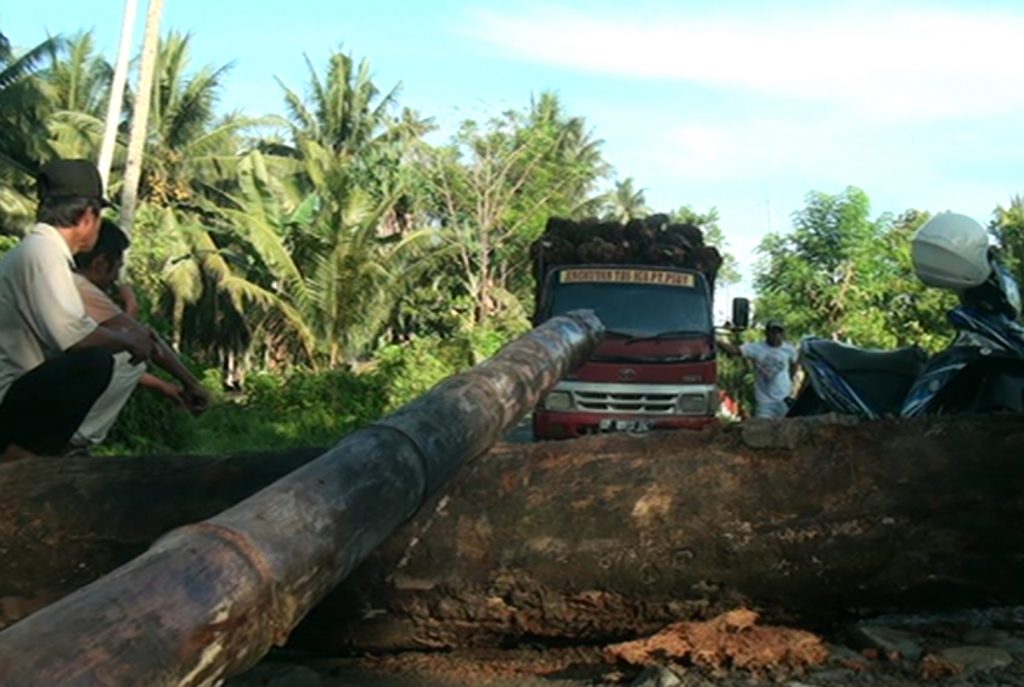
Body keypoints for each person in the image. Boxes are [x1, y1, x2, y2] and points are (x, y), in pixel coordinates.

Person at [0, 159, 153, 462]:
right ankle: (18, 458)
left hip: (15, 395)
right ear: (87, 217)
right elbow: (74, 336)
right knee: (94, 362)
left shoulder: (38, 251)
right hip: (8, 400)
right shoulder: (44, 255)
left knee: (109, 354)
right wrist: (129, 340)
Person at [74, 219, 210, 416]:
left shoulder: (54, 277)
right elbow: (139, 340)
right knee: (127, 347)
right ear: (100, 264)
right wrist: (131, 305)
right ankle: (75, 439)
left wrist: (164, 386)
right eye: (116, 269)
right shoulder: (79, 287)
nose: (114, 279)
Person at [719, 319, 799, 419]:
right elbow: (735, 350)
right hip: (764, 402)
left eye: (778, 332)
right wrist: (718, 342)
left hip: (783, 399)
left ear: (782, 334)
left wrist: (790, 380)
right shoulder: (757, 348)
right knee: (763, 429)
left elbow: (794, 364)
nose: (775, 335)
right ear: (766, 333)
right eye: (772, 332)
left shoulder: (789, 350)